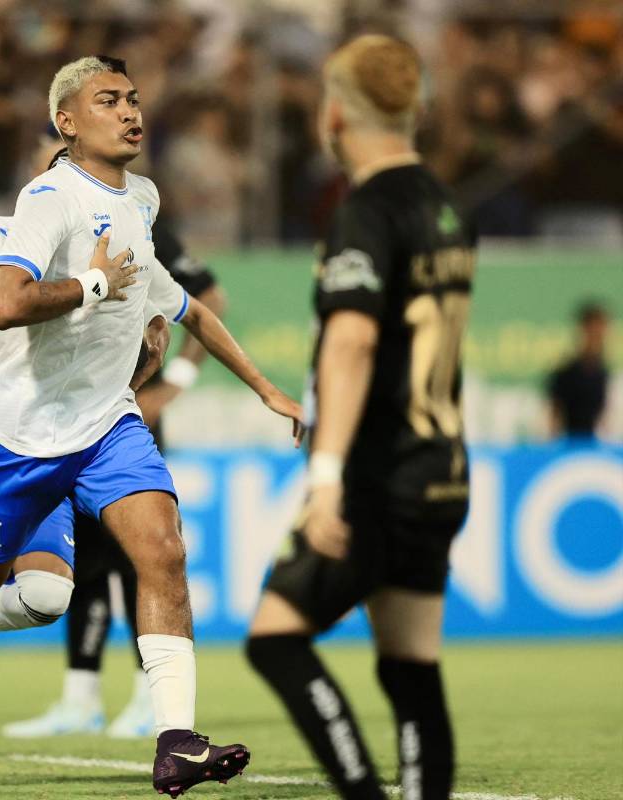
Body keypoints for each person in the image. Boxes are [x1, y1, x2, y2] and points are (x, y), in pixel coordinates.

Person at [0, 56, 301, 798]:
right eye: (108, 100)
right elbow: (8, 303)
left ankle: (176, 742)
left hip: (106, 423)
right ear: (67, 123)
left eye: (133, 98)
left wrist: (268, 390)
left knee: (163, 551)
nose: (130, 111)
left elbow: (186, 306)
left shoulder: (141, 199)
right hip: (17, 433)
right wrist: (91, 284)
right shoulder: (47, 199)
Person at [244, 35, 476, 800]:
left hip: (380, 475)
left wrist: (326, 478)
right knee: (411, 668)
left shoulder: (365, 212)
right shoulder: (446, 205)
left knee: (276, 641)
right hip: (442, 468)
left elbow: (351, 343)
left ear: (336, 114)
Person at [3, 204, 226, 741]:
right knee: (84, 557)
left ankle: (149, 694)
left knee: (138, 551)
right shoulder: (52, 219)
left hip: (125, 419)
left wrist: (173, 385)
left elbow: (209, 299)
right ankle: (81, 695)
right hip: (72, 420)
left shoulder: (141, 224)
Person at [547, 301, 611, 438]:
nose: (597, 335)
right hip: (569, 442)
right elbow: (554, 415)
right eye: (593, 330)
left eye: (601, 330)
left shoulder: (604, 373)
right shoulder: (565, 372)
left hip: (595, 443)